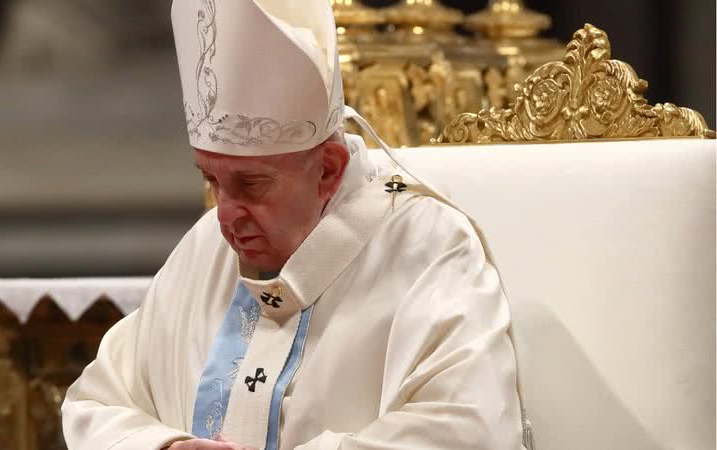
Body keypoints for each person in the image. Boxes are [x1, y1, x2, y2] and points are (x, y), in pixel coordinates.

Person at [61, 1, 529, 449]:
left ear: (327, 169)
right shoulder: (205, 246)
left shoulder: (427, 246)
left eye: (251, 184)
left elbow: (474, 430)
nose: (225, 215)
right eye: (211, 179)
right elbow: (96, 404)